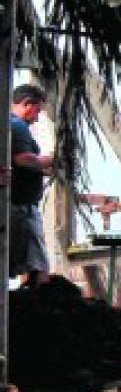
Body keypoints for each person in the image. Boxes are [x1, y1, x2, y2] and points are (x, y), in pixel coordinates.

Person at [9, 84, 54, 287]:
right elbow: (23, 159)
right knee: (38, 268)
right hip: (22, 209)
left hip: (19, 205)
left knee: (27, 264)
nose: (36, 117)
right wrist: (51, 160)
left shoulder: (11, 124)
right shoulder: (17, 126)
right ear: (27, 104)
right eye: (37, 111)